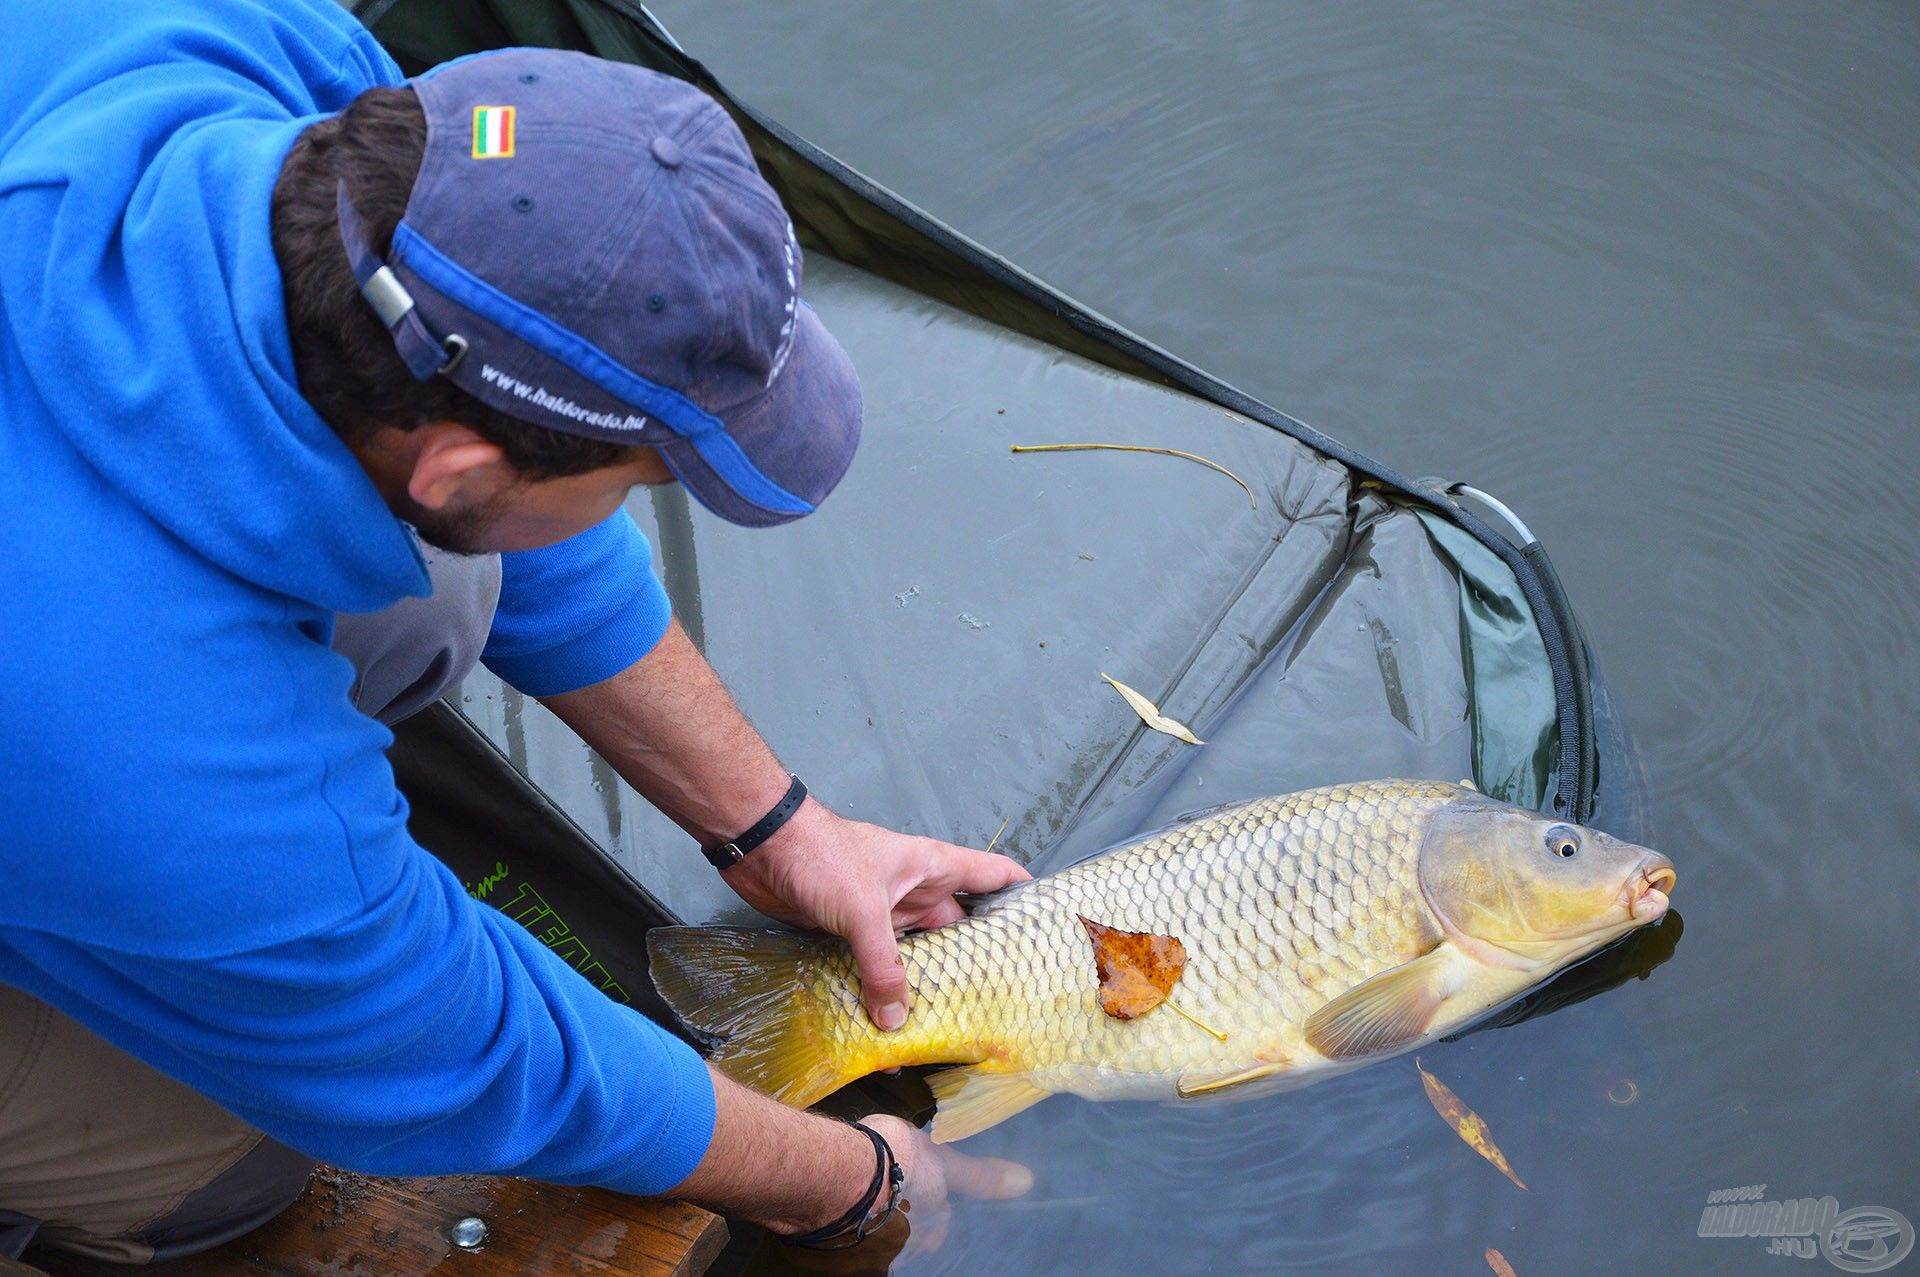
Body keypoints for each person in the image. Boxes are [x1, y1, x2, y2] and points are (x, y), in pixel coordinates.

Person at [0, 0, 1030, 1264]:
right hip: (79, 715)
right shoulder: (130, 721)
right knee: (224, 1157)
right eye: (646, 475)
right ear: (453, 464)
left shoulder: (263, 50)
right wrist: (846, 1177)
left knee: (451, 589)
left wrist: (777, 826)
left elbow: (510, 473)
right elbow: (441, 1048)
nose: (641, 497)